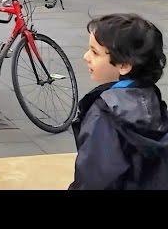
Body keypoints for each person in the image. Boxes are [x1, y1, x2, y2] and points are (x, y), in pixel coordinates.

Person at [70, 14, 168, 189]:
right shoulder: (152, 99)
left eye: (94, 52)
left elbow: (94, 178)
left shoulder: (104, 114)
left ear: (124, 65)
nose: (86, 56)